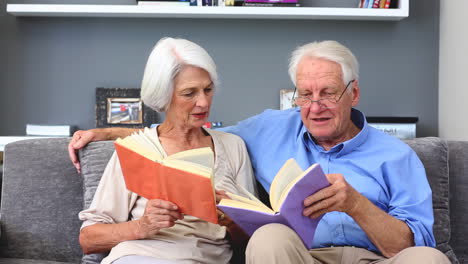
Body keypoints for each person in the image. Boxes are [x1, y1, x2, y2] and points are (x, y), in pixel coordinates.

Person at [69, 40, 450, 263]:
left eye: (329, 93)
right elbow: (185, 128)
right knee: (268, 238)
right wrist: (109, 132)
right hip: (301, 257)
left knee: (431, 260)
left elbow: (415, 244)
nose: (315, 106)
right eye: (305, 94)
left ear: (354, 92)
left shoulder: (396, 156)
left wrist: (356, 204)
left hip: (375, 259)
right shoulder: (273, 127)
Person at [77, 37, 257, 264]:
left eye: (208, 90)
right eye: (189, 93)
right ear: (164, 96)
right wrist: (143, 226)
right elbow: (88, 239)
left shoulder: (233, 147)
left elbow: (253, 243)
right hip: (138, 257)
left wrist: (233, 222)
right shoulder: (136, 149)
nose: (203, 102)